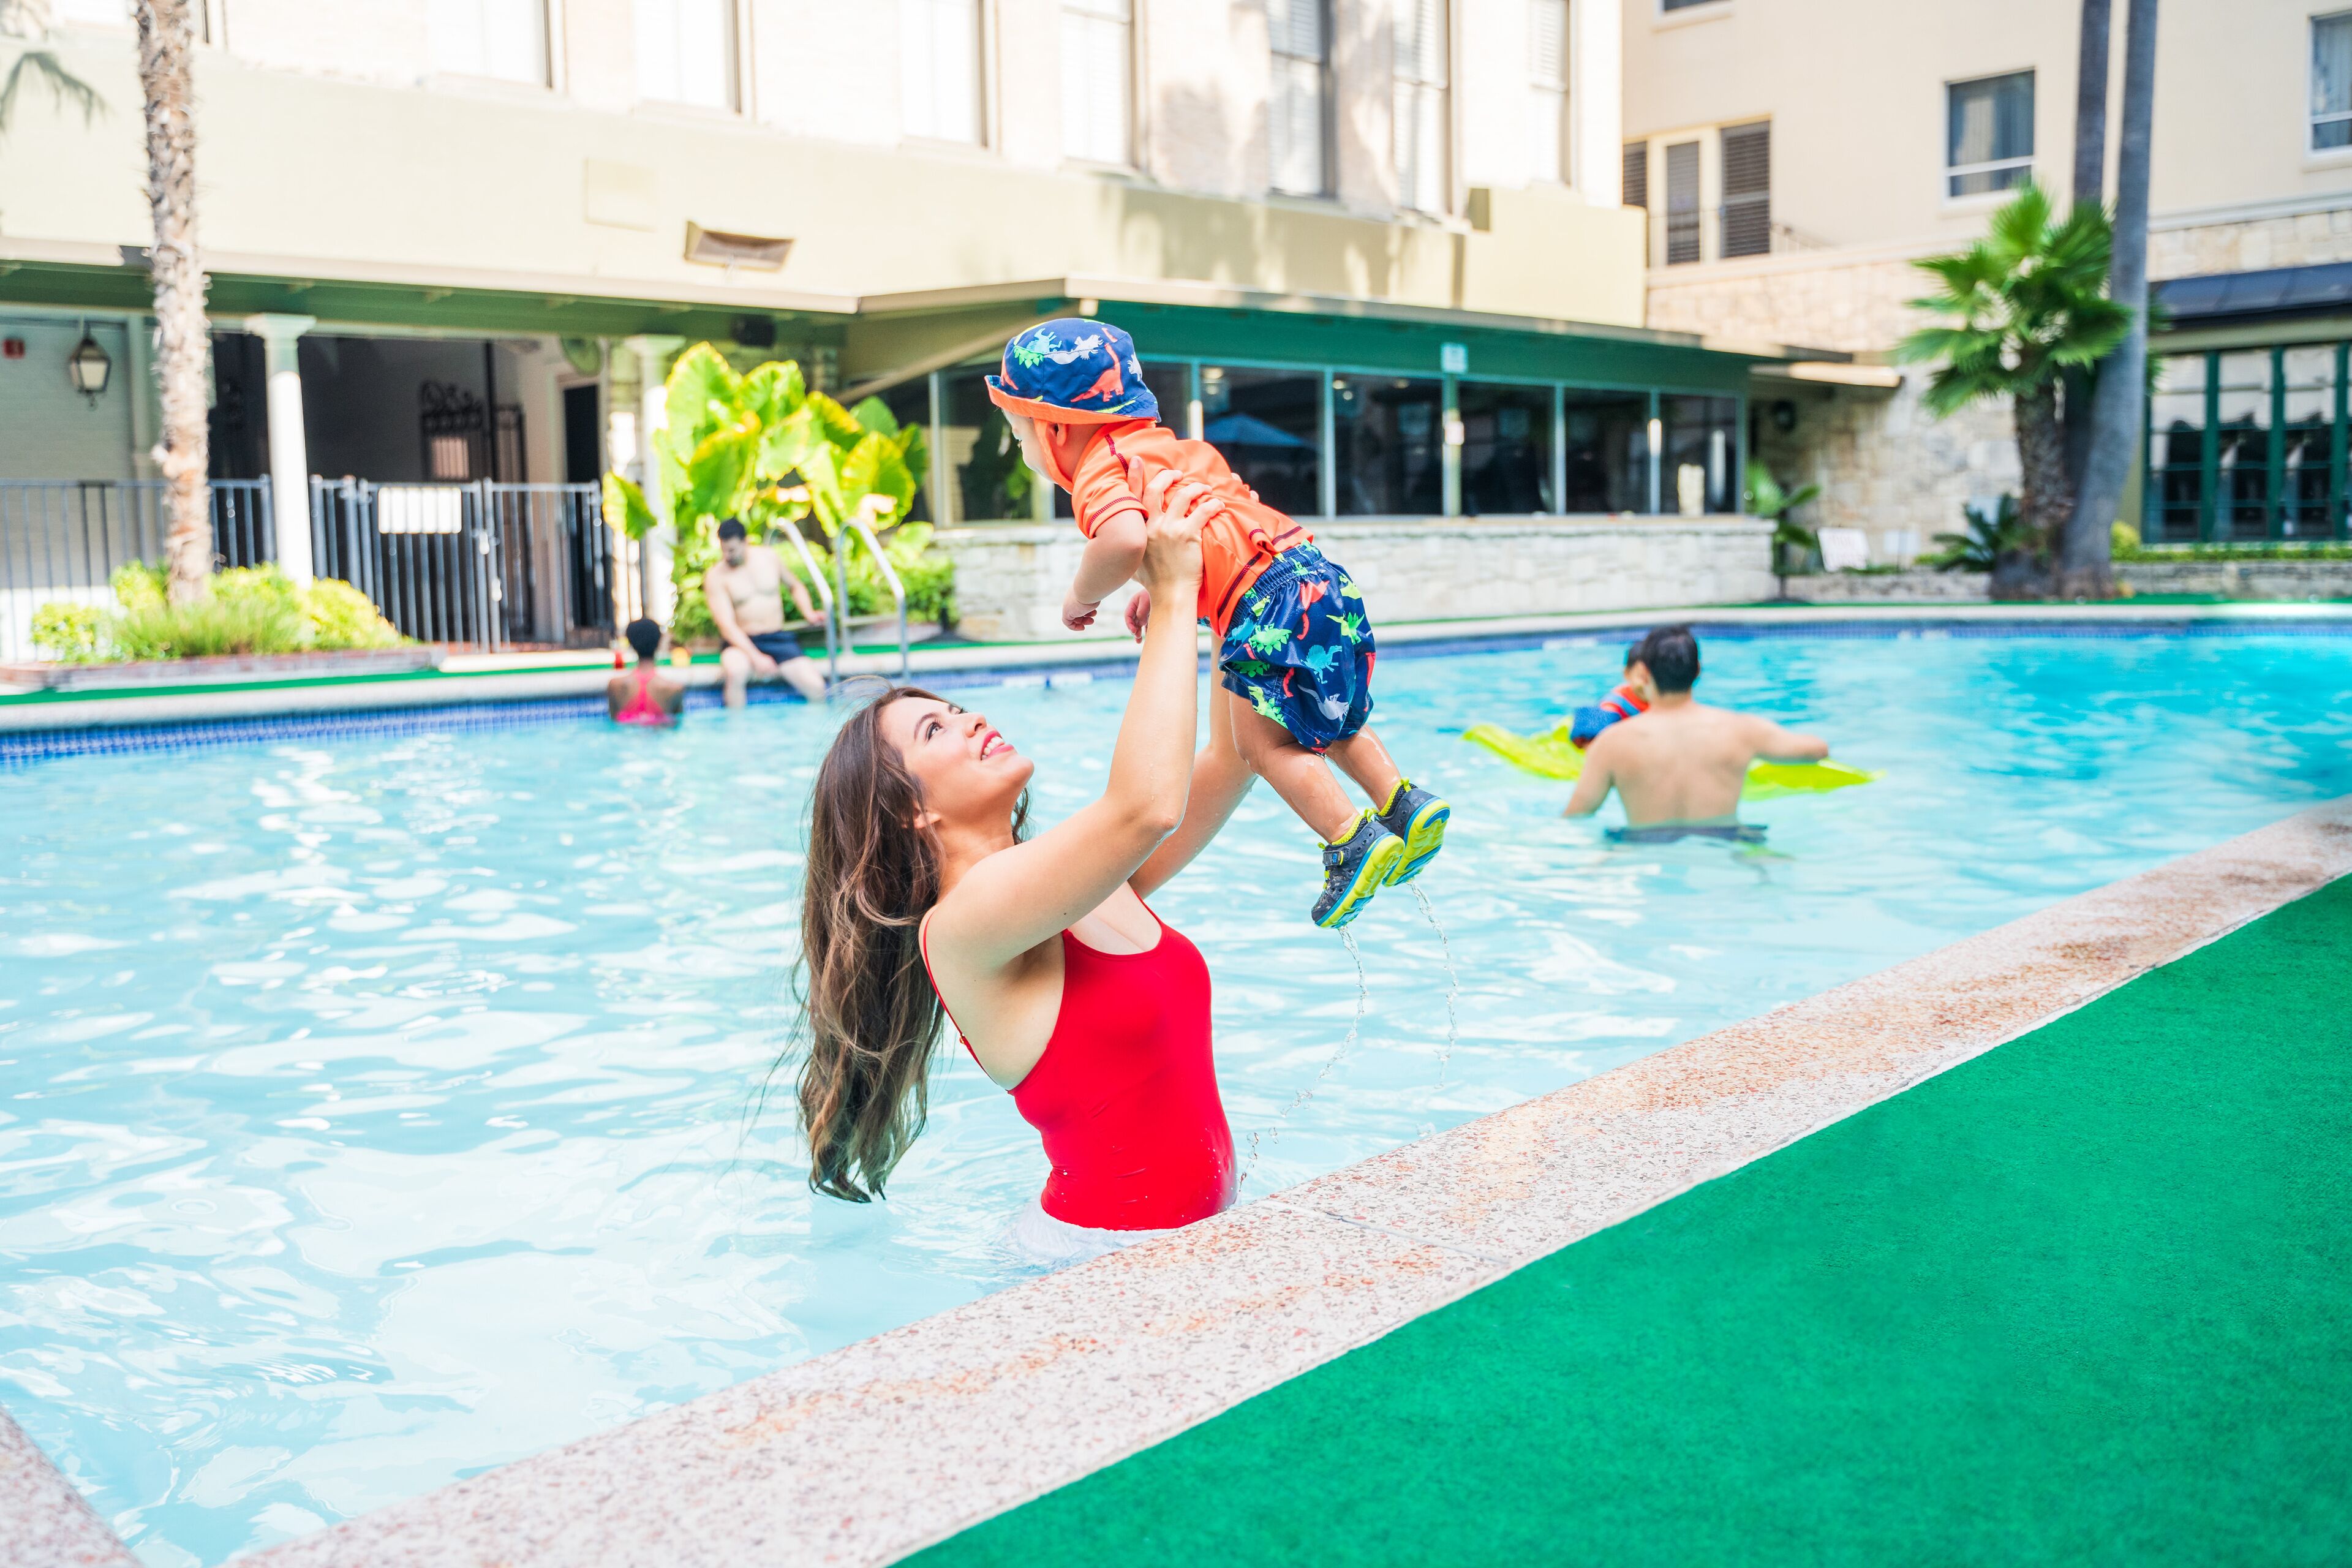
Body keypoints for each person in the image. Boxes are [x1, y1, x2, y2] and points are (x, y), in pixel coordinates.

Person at [792, 479, 1242, 1262]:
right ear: (910, 812)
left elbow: (1234, 759)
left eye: (953, 707)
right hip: (1098, 1271)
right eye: (936, 727)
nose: (969, 718)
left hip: (1190, 1247)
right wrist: (1168, 598)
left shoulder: (1080, 880)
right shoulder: (963, 926)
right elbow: (1147, 807)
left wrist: (1227, 607)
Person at [985, 317, 1448, 929]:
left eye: (1020, 440)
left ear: (1054, 430)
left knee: (1264, 745)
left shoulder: (1102, 466)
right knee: (1333, 718)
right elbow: (1224, 516)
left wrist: (1079, 596)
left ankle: (1350, 837)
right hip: (1312, 571)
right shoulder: (1175, 449)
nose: (1025, 453)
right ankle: (1404, 804)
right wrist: (1168, 592)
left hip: (1262, 603)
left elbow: (1122, 539)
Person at [1563, 625, 1830, 841]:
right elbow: (1817, 751)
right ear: (1698, 671)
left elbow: (1577, 815)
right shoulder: (1742, 730)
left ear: (1643, 674)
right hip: (1726, 843)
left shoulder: (1612, 742)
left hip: (1642, 847)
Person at [705, 518, 826, 706]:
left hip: (776, 638)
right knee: (736, 672)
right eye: (724, 550)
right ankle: (737, 732)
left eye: (732, 550)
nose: (727, 555)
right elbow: (726, 626)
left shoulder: (769, 558)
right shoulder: (716, 577)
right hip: (741, 644)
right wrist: (756, 657)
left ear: (746, 542)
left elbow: (795, 586)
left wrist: (808, 612)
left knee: (816, 688)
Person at [606, 617, 684, 727]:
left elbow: (613, 723)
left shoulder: (615, 686)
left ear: (631, 644)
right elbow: (676, 726)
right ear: (659, 642)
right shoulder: (674, 689)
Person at [1567, 649, 1650, 748]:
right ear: (1627, 674)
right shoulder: (1615, 705)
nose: (1649, 683)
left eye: (1656, 677)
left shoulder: (1665, 699)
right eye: (1643, 677)